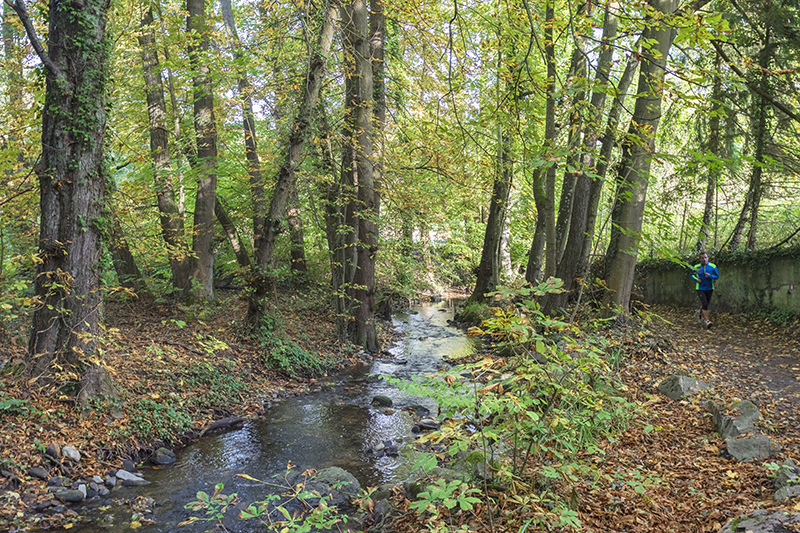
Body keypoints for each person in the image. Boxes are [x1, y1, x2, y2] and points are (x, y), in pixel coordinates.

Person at [692, 252, 719, 329]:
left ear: (708, 258)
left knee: (705, 303)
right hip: (700, 288)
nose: (704, 259)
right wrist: (696, 279)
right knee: (705, 303)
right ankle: (707, 321)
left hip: (710, 288)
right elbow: (691, 274)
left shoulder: (713, 266)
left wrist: (710, 276)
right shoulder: (696, 267)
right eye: (702, 258)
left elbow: (717, 276)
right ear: (700, 259)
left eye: (705, 257)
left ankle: (699, 312)